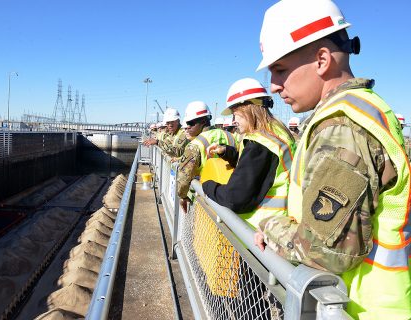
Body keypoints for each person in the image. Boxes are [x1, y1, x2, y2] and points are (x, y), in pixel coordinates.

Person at [253, 0, 411, 318]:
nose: (273, 85)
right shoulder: (358, 111)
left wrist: (270, 226)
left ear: (322, 59)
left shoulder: (343, 125)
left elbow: (327, 252)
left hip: (359, 309)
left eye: (280, 69)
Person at [203, 78, 296, 229]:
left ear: (248, 108)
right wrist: (226, 152)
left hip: (258, 231)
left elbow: (235, 198)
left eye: (235, 113)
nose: (233, 120)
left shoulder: (259, 144)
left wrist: (206, 185)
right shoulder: (276, 133)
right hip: (277, 225)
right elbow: (258, 167)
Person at [176, 101, 236, 210]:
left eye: (191, 123)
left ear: (203, 121)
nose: (187, 127)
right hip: (231, 196)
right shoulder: (231, 136)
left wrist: (182, 196)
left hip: (207, 199)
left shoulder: (194, 145)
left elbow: (184, 177)